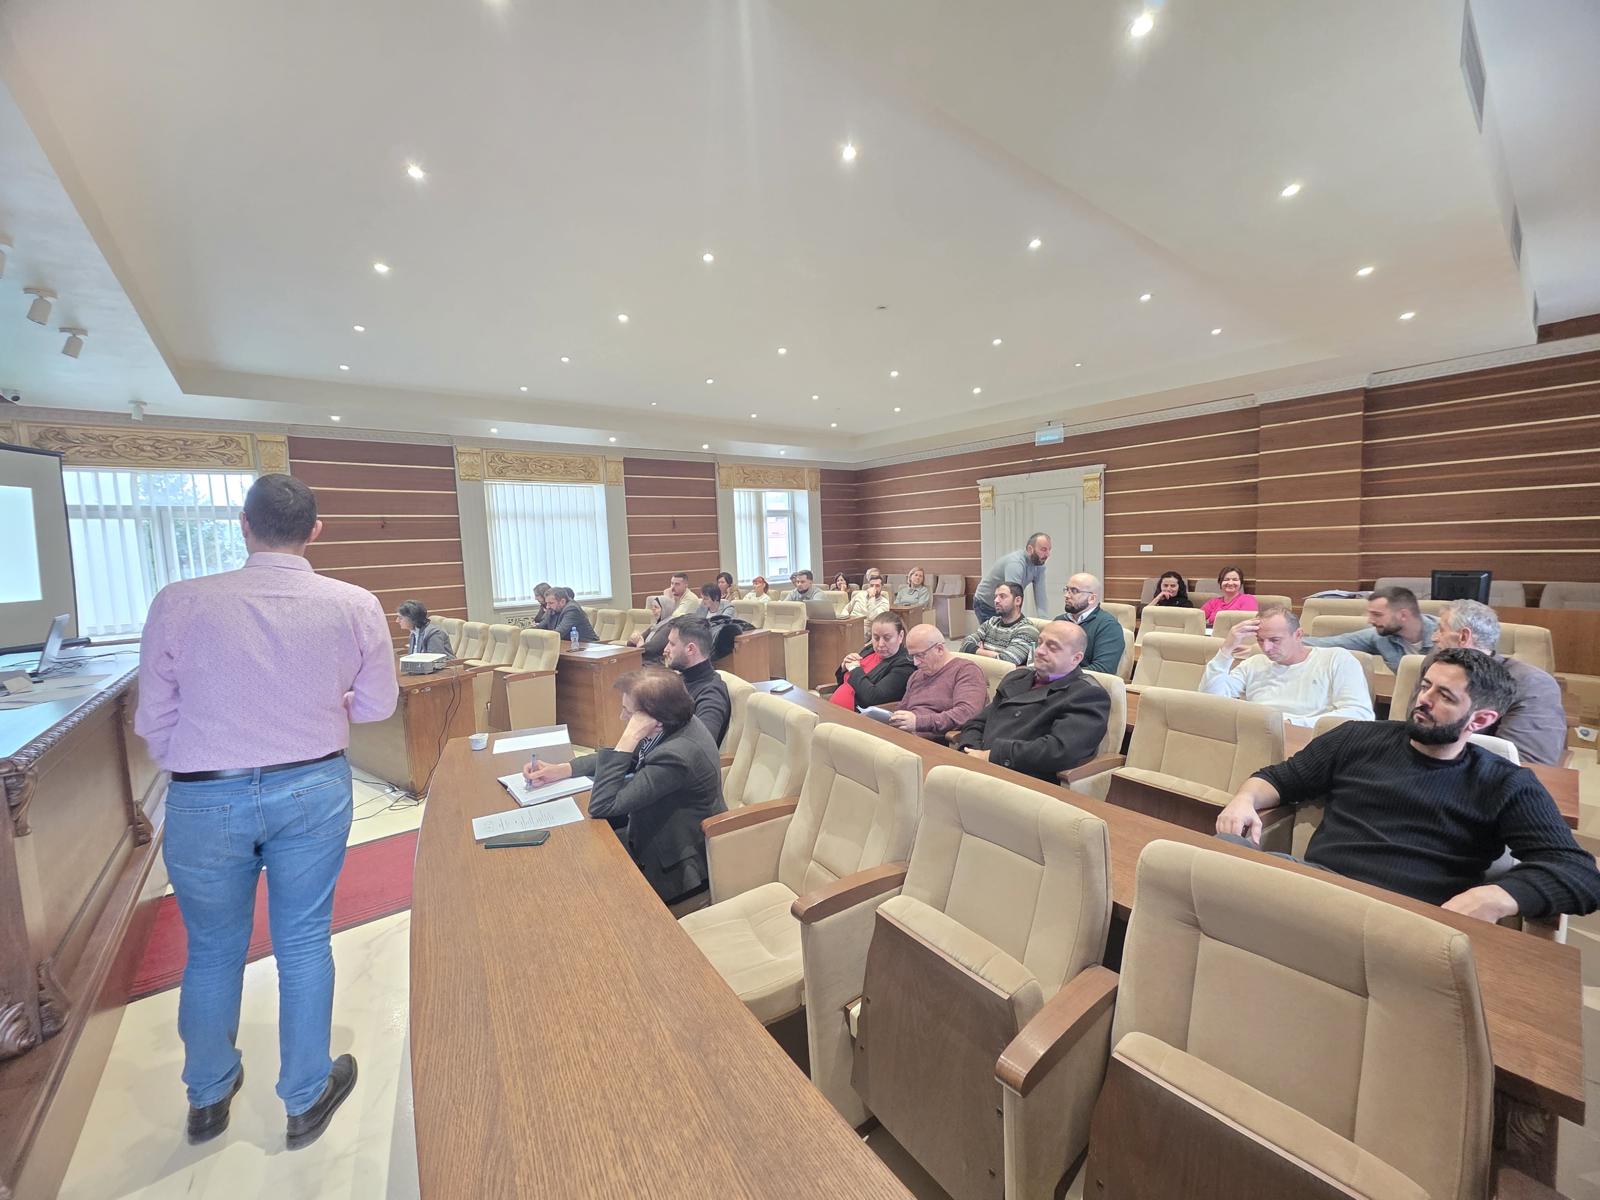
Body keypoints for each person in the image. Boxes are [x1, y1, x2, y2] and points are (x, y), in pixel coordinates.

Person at [135, 474, 396, 1149]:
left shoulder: (180, 600)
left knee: (211, 949)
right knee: (303, 941)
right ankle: (305, 1097)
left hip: (204, 791)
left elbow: (153, 718)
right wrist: (333, 705)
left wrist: (194, 764)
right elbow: (377, 705)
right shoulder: (353, 603)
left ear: (243, 526)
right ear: (316, 531)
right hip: (311, 785)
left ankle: (208, 1094)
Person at [1216, 648, 1600, 921]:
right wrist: (1245, 798)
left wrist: (1495, 897)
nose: (1423, 700)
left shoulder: (1505, 783)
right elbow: (1281, 778)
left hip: (1410, 920)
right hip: (1316, 889)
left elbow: (1579, 873)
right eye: (1426, 686)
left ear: (1481, 720)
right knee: (1208, 860)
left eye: (1444, 696)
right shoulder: (1356, 737)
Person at [523, 669, 725, 903]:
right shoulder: (674, 721)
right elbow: (631, 757)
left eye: (628, 712)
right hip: (650, 826)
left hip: (674, 862)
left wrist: (629, 737)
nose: (622, 717)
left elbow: (602, 805)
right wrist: (563, 769)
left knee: (581, 882)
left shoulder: (677, 756)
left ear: (656, 721)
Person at [954, 621, 1110, 781]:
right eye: (1040, 642)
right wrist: (970, 750)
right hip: (978, 765)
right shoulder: (1016, 678)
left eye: (1052, 647)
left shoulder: (1087, 694)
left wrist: (992, 756)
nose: (1040, 651)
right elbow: (977, 722)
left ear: (1076, 658)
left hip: (1023, 777)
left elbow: (1059, 750)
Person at [1428, 599, 1566, 766]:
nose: (1434, 638)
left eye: (1441, 630)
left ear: (1464, 637)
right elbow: (1415, 726)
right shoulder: (1433, 665)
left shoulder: (1533, 684)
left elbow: (1523, 764)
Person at [1199, 605, 1373, 723]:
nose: (1266, 648)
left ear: (1298, 635)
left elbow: (1359, 714)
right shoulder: (1254, 663)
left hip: (1315, 743)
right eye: (1260, 640)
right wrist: (1227, 649)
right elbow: (1211, 701)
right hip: (1262, 739)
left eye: (1275, 640)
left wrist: (1290, 723)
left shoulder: (1337, 659)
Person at [1303, 585, 1437, 671]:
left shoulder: (1445, 633)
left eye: (1377, 615)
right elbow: (1331, 643)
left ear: (1403, 615)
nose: (1370, 620)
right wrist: (1293, 639)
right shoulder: (1379, 637)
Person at [888, 624, 988, 738]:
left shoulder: (966, 671)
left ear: (939, 649)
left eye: (920, 655)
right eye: (912, 656)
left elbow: (966, 713)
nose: (915, 663)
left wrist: (918, 722)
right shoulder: (917, 675)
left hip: (933, 741)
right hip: (906, 736)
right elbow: (903, 708)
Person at [664, 616, 731, 743]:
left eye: (672, 644)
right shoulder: (681, 680)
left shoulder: (711, 694)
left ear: (690, 649)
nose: (665, 650)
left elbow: (700, 744)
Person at [831, 612, 914, 712]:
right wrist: (844, 666)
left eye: (887, 638)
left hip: (859, 717)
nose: (880, 644)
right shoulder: (869, 650)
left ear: (900, 636)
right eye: (876, 638)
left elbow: (873, 698)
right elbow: (843, 682)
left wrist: (854, 669)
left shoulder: (905, 665)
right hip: (835, 710)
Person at [1054, 573, 1125, 675]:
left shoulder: (1108, 627)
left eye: (1074, 591)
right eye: (1067, 590)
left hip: (1082, 682)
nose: (1067, 595)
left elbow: (1103, 669)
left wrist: (1059, 674)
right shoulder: (1059, 621)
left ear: (1092, 598)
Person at [972, 533, 1051, 622]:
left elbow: (1041, 594)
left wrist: (1045, 621)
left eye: (1049, 550)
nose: (1048, 554)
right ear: (1030, 549)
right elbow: (1012, 595)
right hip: (986, 603)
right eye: (1043, 549)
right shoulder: (1015, 564)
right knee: (998, 630)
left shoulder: (1040, 565)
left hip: (1005, 600)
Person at [959, 581, 1040, 665]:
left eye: (1002, 596)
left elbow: (1007, 661)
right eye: (996, 596)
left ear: (1018, 601)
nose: (996, 600)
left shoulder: (1027, 630)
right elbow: (964, 645)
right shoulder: (991, 622)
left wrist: (978, 651)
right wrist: (994, 655)